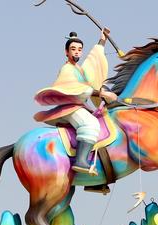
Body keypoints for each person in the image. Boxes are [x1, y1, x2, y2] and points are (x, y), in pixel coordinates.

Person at [34, 29, 118, 174]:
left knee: (103, 120)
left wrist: (102, 40)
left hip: (80, 107)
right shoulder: (67, 69)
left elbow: (93, 61)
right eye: (73, 49)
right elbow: (77, 89)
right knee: (90, 124)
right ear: (66, 52)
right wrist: (100, 93)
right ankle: (80, 161)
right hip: (70, 107)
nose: (77, 52)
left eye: (80, 49)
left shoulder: (80, 69)